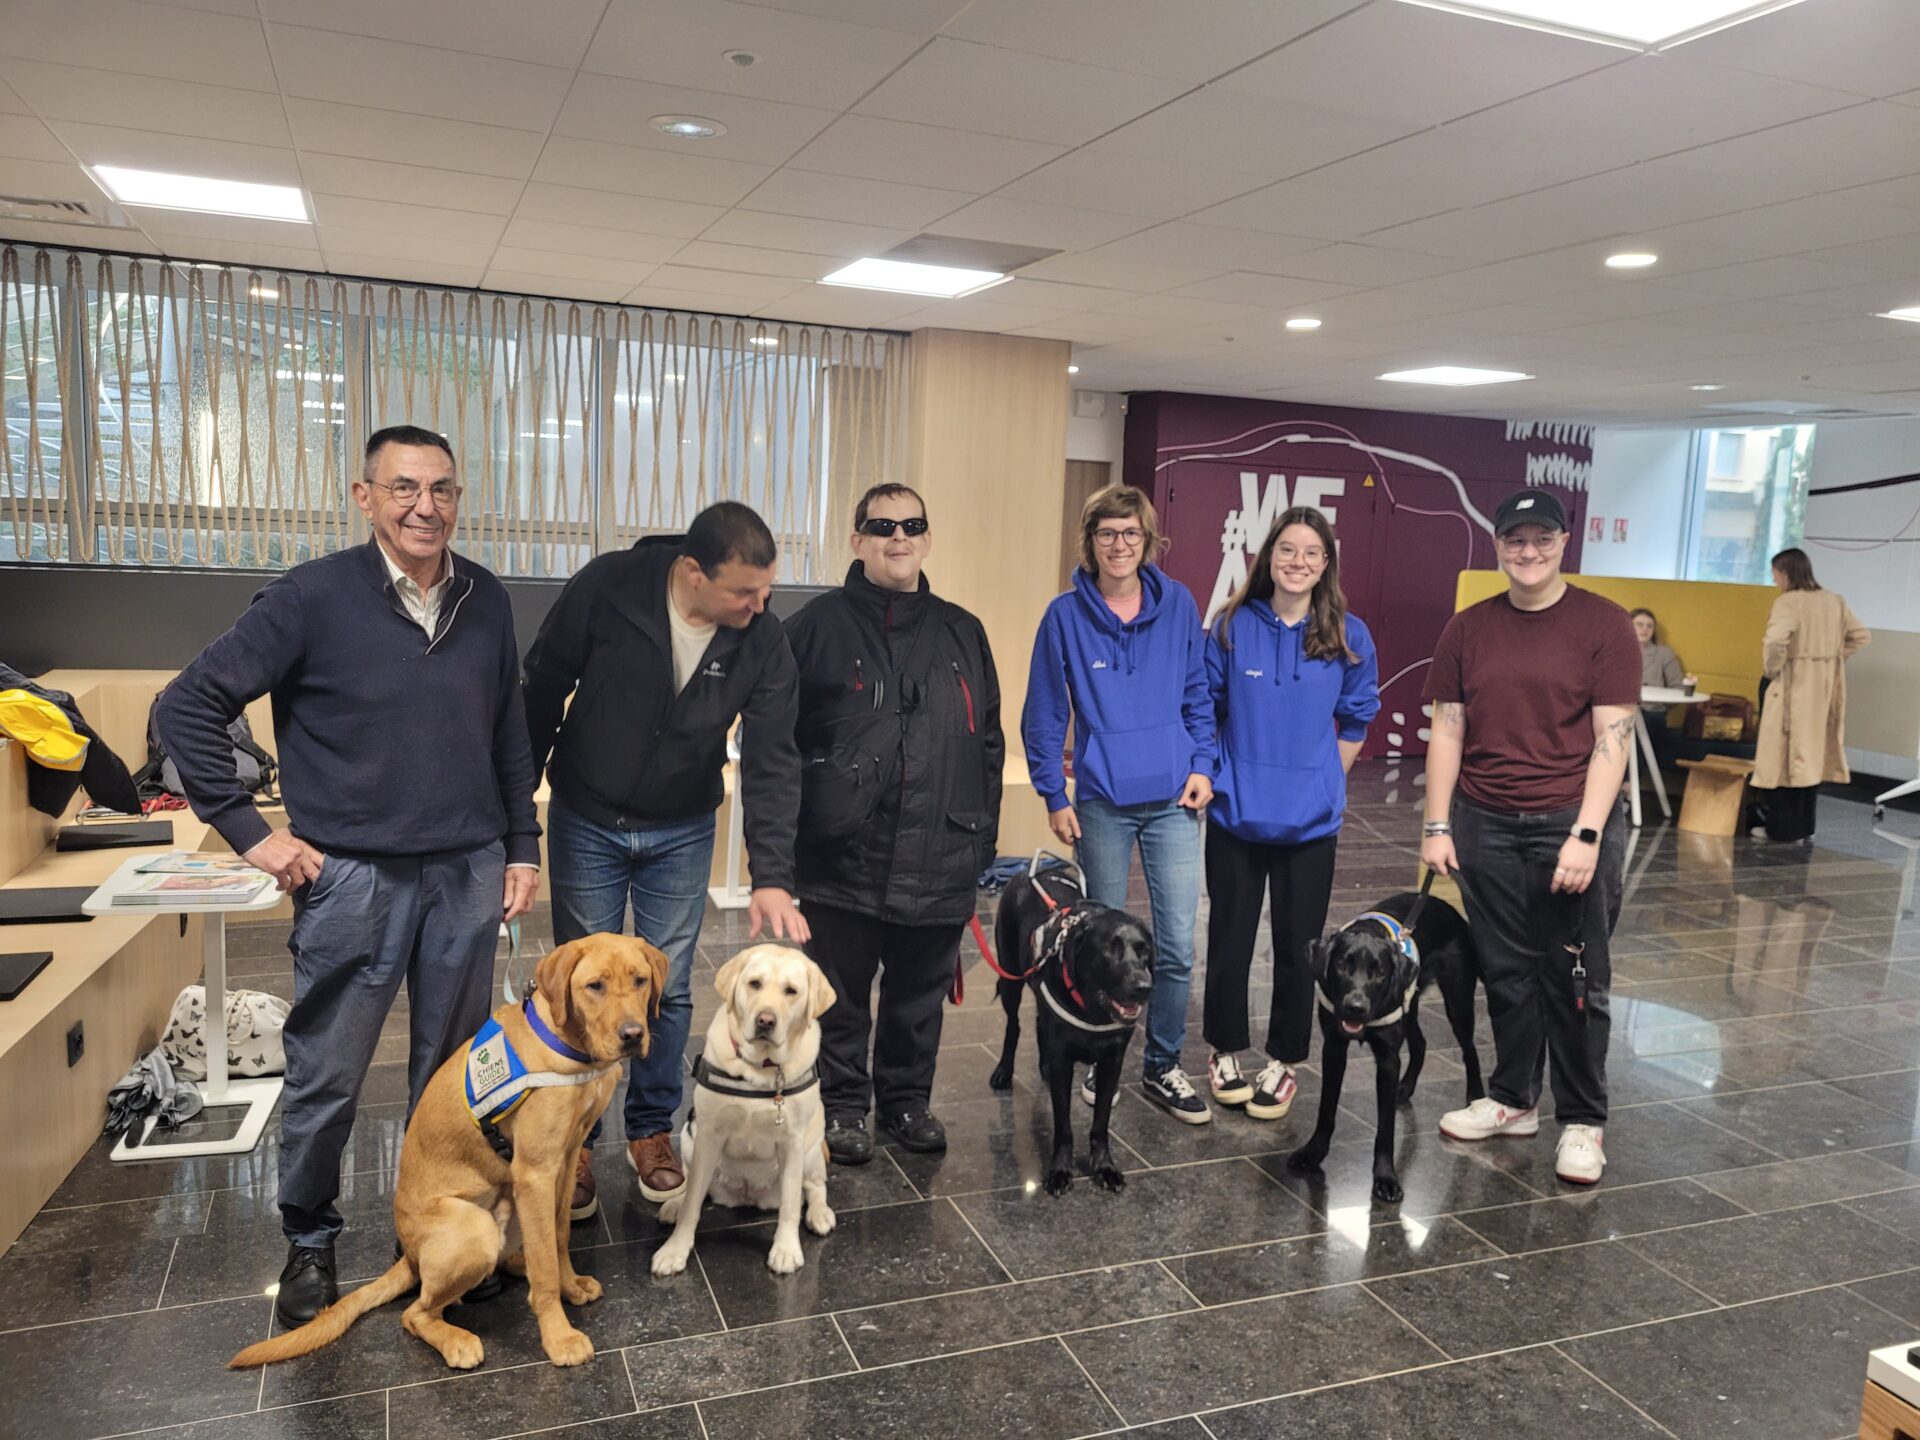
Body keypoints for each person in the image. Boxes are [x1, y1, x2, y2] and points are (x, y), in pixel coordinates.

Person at [157, 425, 541, 1326]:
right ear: (364, 497)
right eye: (404, 488)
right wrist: (253, 836)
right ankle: (310, 1240)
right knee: (328, 1071)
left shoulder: (486, 599)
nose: (426, 507)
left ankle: (437, 1235)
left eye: (442, 489)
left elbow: (508, 737)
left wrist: (522, 845)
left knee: (453, 1077)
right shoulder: (311, 598)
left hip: (466, 869)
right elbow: (187, 707)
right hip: (354, 879)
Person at [522, 501, 806, 1212]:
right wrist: (512, 824)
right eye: (744, 591)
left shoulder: (761, 638)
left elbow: (773, 756)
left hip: (681, 824)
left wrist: (771, 874)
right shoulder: (609, 588)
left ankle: (650, 1129)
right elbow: (538, 692)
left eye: (766, 590)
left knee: (666, 986)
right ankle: (577, 1141)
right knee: (583, 984)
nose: (758, 605)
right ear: (692, 572)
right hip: (587, 813)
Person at [1419, 488, 1639, 1186]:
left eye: (1542, 538)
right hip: (1485, 822)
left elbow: (1614, 735)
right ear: (1498, 545)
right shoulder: (1468, 627)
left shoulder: (1603, 624)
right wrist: (1436, 822)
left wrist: (1586, 833)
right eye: (1515, 539)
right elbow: (1448, 728)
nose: (1529, 551)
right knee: (1506, 972)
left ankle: (1583, 1121)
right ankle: (1515, 1099)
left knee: (1575, 977)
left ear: (1563, 542)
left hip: (1569, 821)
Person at [787, 483, 1002, 1163]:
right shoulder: (814, 628)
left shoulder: (963, 631)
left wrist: (981, 841)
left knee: (918, 998)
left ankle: (907, 1101)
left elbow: (988, 743)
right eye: (882, 525)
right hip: (842, 856)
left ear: (927, 538)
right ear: (857, 541)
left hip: (942, 847)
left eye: (912, 525)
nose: (898, 536)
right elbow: (774, 744)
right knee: (842, 998)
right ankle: (843, 1107)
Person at [1023, 484, 1217, 1123]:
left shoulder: (1180, 605)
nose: (1119, 545)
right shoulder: (1064, 616)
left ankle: (1162, 1066)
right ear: (1091, 541)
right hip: (1101, 801)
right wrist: (1054, 792)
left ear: (1148, 540)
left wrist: (1202, 766)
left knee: (1178, 945)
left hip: (1172, 801)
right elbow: (1047, 712)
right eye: (1107, 533)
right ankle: (1101, 1049)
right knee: (1099, 944)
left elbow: (1198, 694)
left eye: (1131, 533)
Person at [1201, 507, 1379, 1119]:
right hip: (1236, 814)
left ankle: (1283, 1060)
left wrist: (1324, 780)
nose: (1297, 562)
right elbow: (1207, 709)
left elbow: (1356, 721)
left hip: (1310, 824)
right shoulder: (1230, 627)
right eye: (1286, 550)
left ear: (1325, 563)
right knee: (1229, 940)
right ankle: (1224, 1049)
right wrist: (1218, 776)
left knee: (1300, 947)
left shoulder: (1350, 636)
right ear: (1267, 556)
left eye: (1310, 552)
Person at [1751, 547, 1870, 844]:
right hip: (1824, 691)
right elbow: (1861, 636)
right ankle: (1805, 828)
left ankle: (1781, 830)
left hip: (1791, 686)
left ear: (1785, 573)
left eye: (1775, 573)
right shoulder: (1834, 600)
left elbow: (1776, 642)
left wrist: (1773, 669)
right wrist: (1830, 659)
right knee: (1812, 757)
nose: (1774, 579)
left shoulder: (1788, 603)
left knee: (1781, 756)